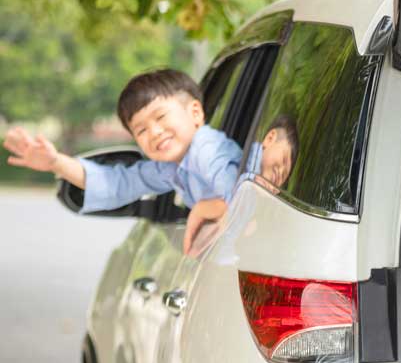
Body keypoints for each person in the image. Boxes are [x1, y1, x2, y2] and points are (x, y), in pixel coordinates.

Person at [2, 68, 243, 254]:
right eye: (141, 130)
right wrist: (55, 162)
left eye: (160, 116)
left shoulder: (206, 149)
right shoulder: (172, 167)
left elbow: (242, 203)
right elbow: (119, 182)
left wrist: (202, 209)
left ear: (195, 113)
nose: (155, 132)